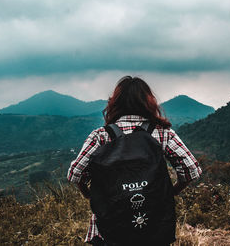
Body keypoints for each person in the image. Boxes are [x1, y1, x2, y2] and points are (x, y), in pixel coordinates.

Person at [67, 76, 202, 245]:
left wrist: (89, 195)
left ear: (114, 103)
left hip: (108, 230)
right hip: (154, 226)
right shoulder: (162, 133)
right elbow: (191, 170)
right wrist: (170, 193)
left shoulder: (101, 136)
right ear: (149, 102)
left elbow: (75, 174)